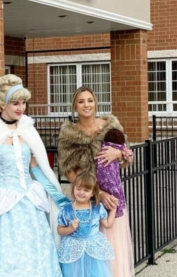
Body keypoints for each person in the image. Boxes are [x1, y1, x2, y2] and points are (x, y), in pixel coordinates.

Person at [0, 74, 62, 277]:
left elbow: (37, 167)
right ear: (2, 103)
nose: (20, 108)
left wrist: (60, 197)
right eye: (15, 103)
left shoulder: (28, 129)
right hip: (2, 204)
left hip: (29, 201)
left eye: (23, 103)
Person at [58, 86, 135, 277]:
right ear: (75, 105)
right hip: (86, 200)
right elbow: (69, 170)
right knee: (90, 249)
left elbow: (128, 156)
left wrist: (119, 153)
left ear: (96, 103)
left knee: (114, 244)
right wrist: (97, 193)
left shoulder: (111, 126)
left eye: (90, 100)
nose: (86, 105)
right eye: (82, 101)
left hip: (113, 197)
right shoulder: (69, 134)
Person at [57, 172, 116, 277]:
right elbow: (60, 230)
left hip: (94, 248)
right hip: (73, 248)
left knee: (95, 273)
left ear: (93, 193)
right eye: (78, 189)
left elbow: (107, 224)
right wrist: (70, 228)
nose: (81, 193)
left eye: (86, 190)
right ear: (73, 188)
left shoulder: (97, 207)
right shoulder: (66, 209)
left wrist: (114, 209)